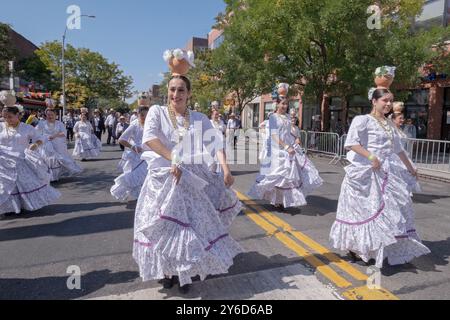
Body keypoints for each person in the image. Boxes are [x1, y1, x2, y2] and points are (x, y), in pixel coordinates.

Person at [133, 49, 242, 294]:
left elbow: (216, 145)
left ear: (189, 94)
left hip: (191, 180)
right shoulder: (157, 112)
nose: (176, 94)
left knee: (189, 228)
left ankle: (185, 274)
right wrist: (175, 157)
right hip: (164, 180)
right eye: (172, 89)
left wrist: (226, 170)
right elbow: (150, 139)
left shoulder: (200, 118)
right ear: (167, 92)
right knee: (163, 228)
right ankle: (167, 272)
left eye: (181, 90)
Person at [329, 88, 430, 268]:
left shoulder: (389, 123)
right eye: (385, 100)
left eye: (391, 101)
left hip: (387, 174)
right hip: (367, 173)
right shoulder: (363, 120)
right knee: (367, 213)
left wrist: (411, 168)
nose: (389, 104)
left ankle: (375, 248)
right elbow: (351, 143)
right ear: (374, 101)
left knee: (391, 211)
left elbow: (398, 149)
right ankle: (357, 247)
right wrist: (371, 157)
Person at [249, 95, 323, 210]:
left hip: (288, 148)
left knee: (286, 178)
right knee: (277, 176)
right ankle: (275, 200)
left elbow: (289, 133)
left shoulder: (288, 117)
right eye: (282, 103)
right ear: (277, 104)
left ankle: (280, 201)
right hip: (277, 150)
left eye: (286, 104)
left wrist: (294, 143)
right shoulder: (273, 117)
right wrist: (286, 146)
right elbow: (274, 135)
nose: (284, 106)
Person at [0, 105, 61, 216]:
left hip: (20, 159)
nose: (7, 120)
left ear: (18, 115)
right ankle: (9, 207)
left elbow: (40, 138)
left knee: (21, 184)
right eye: (4, 117)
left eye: (10, 117)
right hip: (3, 161)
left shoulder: (26, 128)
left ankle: (22, 205)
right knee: (5, 185)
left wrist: (34, 145)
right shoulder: (1, 126)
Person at [111, 106, 149, 201]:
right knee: (136, 176)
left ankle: (144, 195)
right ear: (138, 115)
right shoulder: (134, 124)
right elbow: (121, 139)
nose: (144, 117)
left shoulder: (151, 124)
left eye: (147, 115)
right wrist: (133, 147)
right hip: (137, 155)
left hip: (149, 153)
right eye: (142, 115)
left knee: (147, 175)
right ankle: (139, 196)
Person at [36, 108, 82, 181]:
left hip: (58, 144)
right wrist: (43, 138)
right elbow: (36, 133)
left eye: (52, 115)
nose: (50, 116)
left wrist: (54, 136)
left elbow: (64, 133)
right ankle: (50, 176)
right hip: (46, 144)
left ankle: (55, 176)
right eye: (48, 115)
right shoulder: (42, 123)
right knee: (49, 160)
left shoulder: (59, 123)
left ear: (55, 115)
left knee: (58, 160)